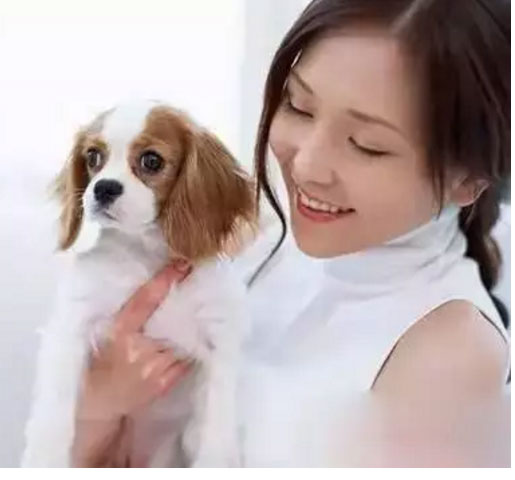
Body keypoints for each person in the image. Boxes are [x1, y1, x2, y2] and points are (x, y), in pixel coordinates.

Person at [70, 0, 511, 467]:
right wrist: (101, 402)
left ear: (468, 179)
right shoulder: (254, 238)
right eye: (298, 106)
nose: (306, 166)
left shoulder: (451, 355)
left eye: (368, 146)